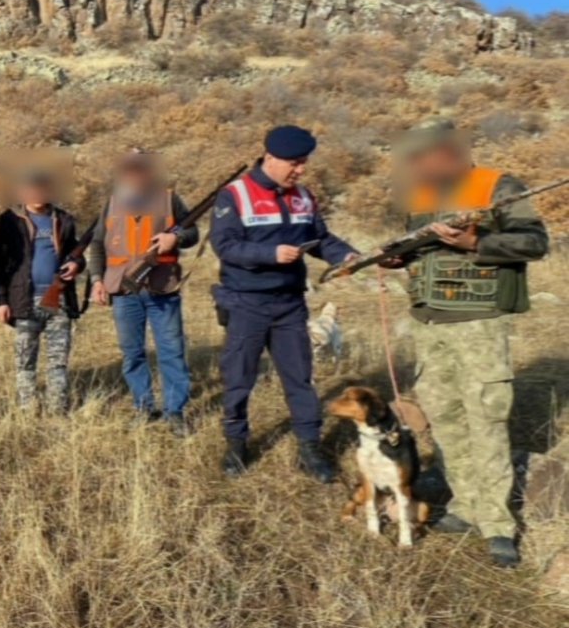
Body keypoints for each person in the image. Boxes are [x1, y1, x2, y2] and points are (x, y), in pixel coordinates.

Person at [387, 118, 549, 567]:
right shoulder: (421, 195)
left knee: (486, 420)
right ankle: (465, 505)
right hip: (429, 323)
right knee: (446, 418)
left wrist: (477, 240)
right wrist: (399, 258)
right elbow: (422, 249)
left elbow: (535, 242)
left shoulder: (498, 186)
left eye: (423, 157)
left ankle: (497, 525)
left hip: (479, 324)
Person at [210, 125, 358, 483]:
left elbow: (320, 238)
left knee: (300, 378)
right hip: (246, 303)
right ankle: (236, 444)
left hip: (290, 304)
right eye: (294, 163)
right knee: (239, 379)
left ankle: (310, 448)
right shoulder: (235, 195)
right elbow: (225, 246)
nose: (301, 170)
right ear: (271, 158)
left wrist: (347, 255)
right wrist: (270, 254)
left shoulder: (303, 197)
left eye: (304, 162)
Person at [89, 149, 197, 436]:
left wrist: (175, 237)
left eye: (140, 169)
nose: (135, 174)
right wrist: (97, 280)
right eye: (130, 169)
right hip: (124, 290)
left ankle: (175, 411)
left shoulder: (169, 198)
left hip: (162, 287)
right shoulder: (112, 203)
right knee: (132, 353)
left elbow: (192, 233)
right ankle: (144, 407)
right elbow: (97, 244)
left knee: (171, 351)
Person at [0, 170, 84, 413]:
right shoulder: (10, 221)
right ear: (22, 192)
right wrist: (2, 300)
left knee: (58, 362)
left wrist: (76, 264)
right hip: (23, 300)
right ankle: (28, 409)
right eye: (31, 189)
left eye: (41, 188)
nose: (37, 193)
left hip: (58, 299)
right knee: (25, 361)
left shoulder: (63, 219)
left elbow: (76, 253)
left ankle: (57, 409)